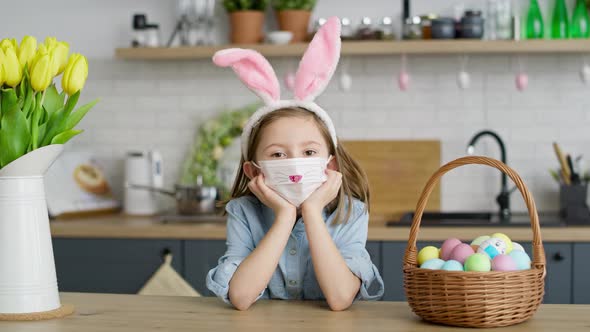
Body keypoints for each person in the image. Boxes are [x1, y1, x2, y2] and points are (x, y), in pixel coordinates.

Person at [206, 17, 384, 311]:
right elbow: (241, 297)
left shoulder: (351, 212)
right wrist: (285, 217)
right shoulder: (243, 212)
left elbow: (340, 298)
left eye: (309, 152)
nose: (295, 165)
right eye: (278, 155)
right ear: (254, 171)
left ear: (332, 165)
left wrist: (312, 212)